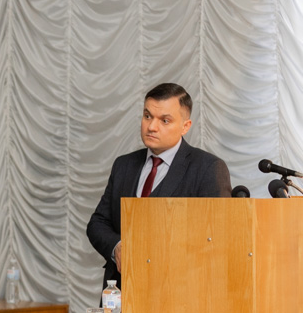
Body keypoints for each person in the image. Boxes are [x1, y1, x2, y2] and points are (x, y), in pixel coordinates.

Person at [87, 83, 232, 288]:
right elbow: (98, 223)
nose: (152, 127)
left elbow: (216, 238)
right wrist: (117, 246)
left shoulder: (208, 168)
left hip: (178, 291)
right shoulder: (124, 165)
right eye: (147, 116)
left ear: (185, 126)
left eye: (164, 120)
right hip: (121, 292)